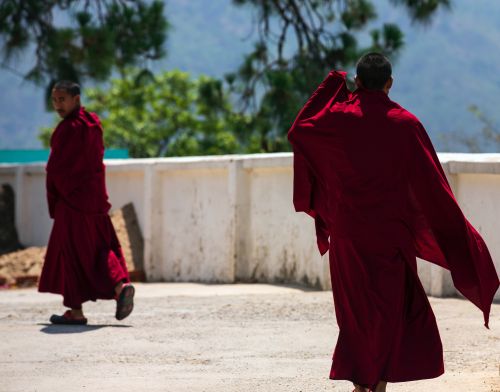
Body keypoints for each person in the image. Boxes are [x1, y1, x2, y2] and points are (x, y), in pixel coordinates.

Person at [288, 53, 499, 392]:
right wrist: (459, 238)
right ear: (389, 83)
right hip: (390, 237)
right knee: (390, 313)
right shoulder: (406, 124)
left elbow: (300, 130)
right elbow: (433, 186)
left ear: (357, 81)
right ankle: (378, 385)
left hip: (348, 236)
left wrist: (331, 84)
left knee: (355, 314)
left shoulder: (337, 119)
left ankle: (362, 385)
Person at [38, 80, 135, 325]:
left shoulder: (66, 130)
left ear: (76, 99)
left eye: (62, 99)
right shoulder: (93, 124)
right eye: (54, 100)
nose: (58, 105)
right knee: (100, 249)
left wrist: (56, 199)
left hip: (72, 202)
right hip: (95, 200)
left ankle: (76, 312)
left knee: (70, 254)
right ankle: (119, 288)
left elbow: (57, 170)